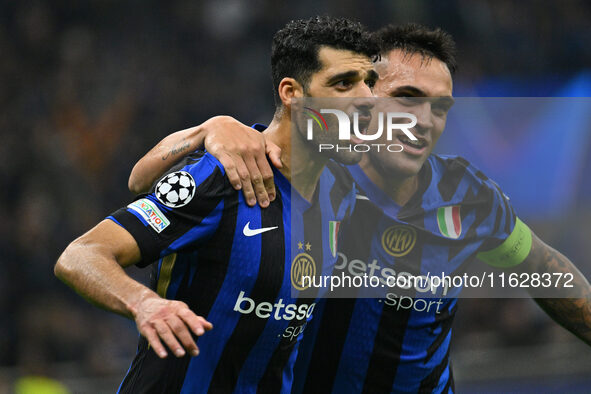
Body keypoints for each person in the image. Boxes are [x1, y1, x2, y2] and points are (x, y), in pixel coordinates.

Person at [129, 23, 591, 393]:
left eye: (441, 107)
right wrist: (209, 128)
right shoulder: (305, 176)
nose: (424, 121)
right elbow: (142, 180)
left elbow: (546, 271)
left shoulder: (469, 197)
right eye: (406, 98)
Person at [54, 16, 379, 393]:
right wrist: (143, 303)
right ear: (292, 93)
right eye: (343, 84)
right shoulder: (223, 177)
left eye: (369, 84)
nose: (368, 101)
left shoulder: (342, 195)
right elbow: (80, 256)